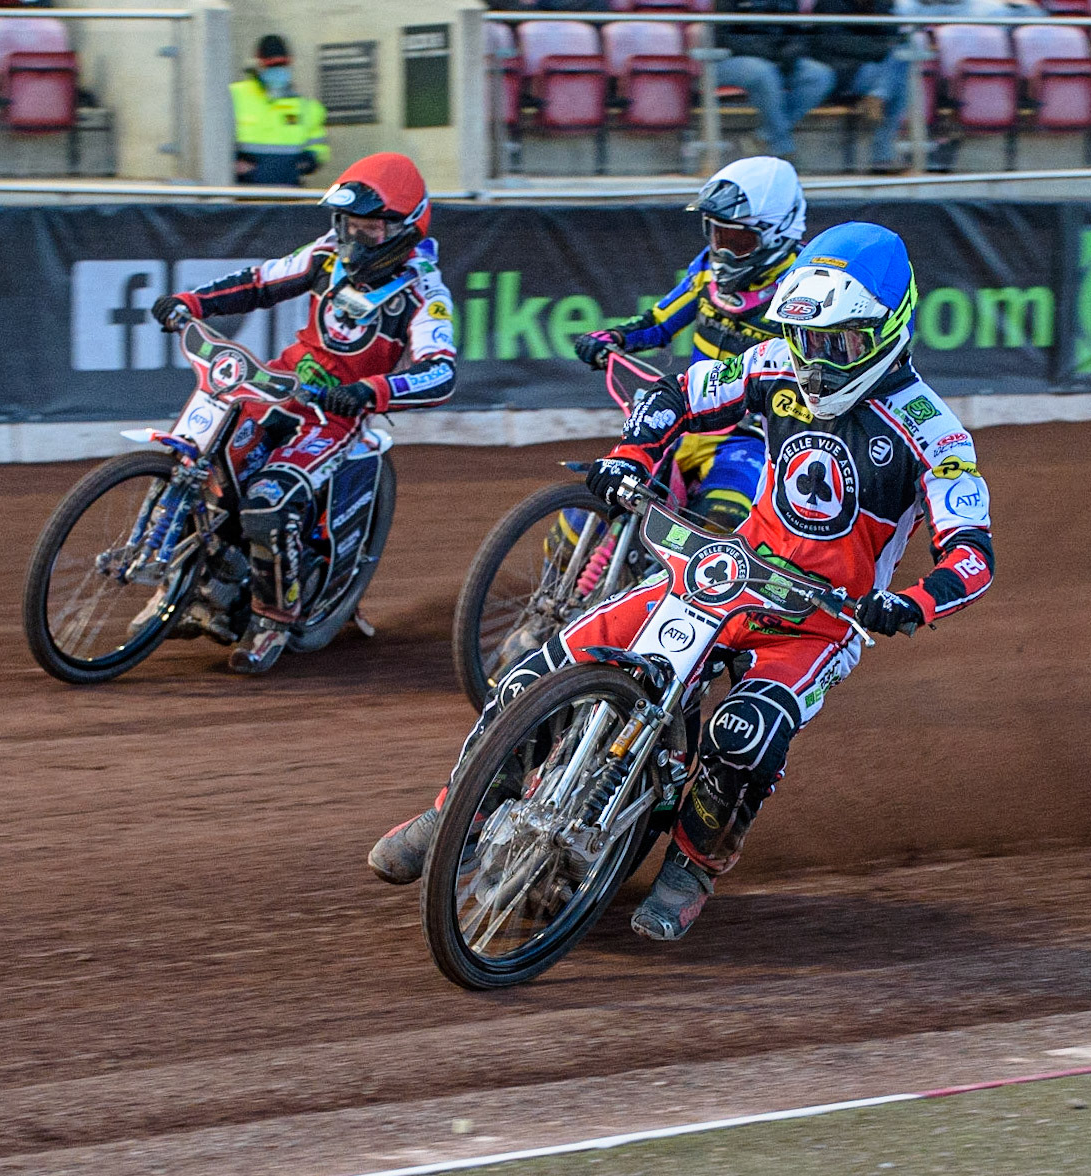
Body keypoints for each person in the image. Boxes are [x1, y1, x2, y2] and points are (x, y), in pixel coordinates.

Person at [369, 222, 996, 943]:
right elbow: (677, 394)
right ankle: (458, 811)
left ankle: (692, 868)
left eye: (837, 345)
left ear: (889, 328)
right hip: (724, 572)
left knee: (744, 731)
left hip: (820, 618)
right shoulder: (773, 364)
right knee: (533, 672)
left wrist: (907, 603)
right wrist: (633, 456)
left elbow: (972, 555)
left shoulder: (933, 432)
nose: (815, 363)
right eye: (805, 341)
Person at [149, 153, 456, 675]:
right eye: (348, 226)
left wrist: (371, 391)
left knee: (270, 502)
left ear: (404, 230)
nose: (354, 240)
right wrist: (190, 302)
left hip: (336, 416)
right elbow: (260, 282)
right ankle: (179, 585)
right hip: (276, 385)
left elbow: (441, 372)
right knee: (200, 464)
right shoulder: (326, 256)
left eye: (369, 230)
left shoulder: (425, 293)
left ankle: (273, 621)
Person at [571, 155, 805, 532]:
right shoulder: (705, 271)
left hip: (751, 439)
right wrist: (613, 337)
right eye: (717, 235)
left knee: (720, 527)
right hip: (686, 418)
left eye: (739, 241)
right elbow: (660, 322)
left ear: (776, 234)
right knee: (589, 510)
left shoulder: (803, 288)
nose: (723, 252)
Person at [714, 0, 834, 158]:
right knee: (764, 72)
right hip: (728, 59)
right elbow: (723, 37)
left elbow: (799, 33)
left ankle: (763, 136)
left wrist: (794, 50)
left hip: (777, 58)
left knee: (819, 75)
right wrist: (771, 52)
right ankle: (783, 150)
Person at [811, 0, 910, 173]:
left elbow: (892, 34)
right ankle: (881, 158)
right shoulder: (829, 4)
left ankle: (877, 96)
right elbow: (834, 42)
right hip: (841, 73)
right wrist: (878, 48)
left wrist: (880, 47)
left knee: (900, 64)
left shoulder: (881, 4)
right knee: (896, 74)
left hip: (873, 69)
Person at [231, 35, 329, 186]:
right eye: (271, 65)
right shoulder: (234, 96)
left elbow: (318, 149)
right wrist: (233, 163)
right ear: (257, 65)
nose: (277, 71)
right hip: (244, 195)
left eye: (282, 65)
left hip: (287, 195)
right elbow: (213, 143)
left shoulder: (306, 107)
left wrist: (302, 164)